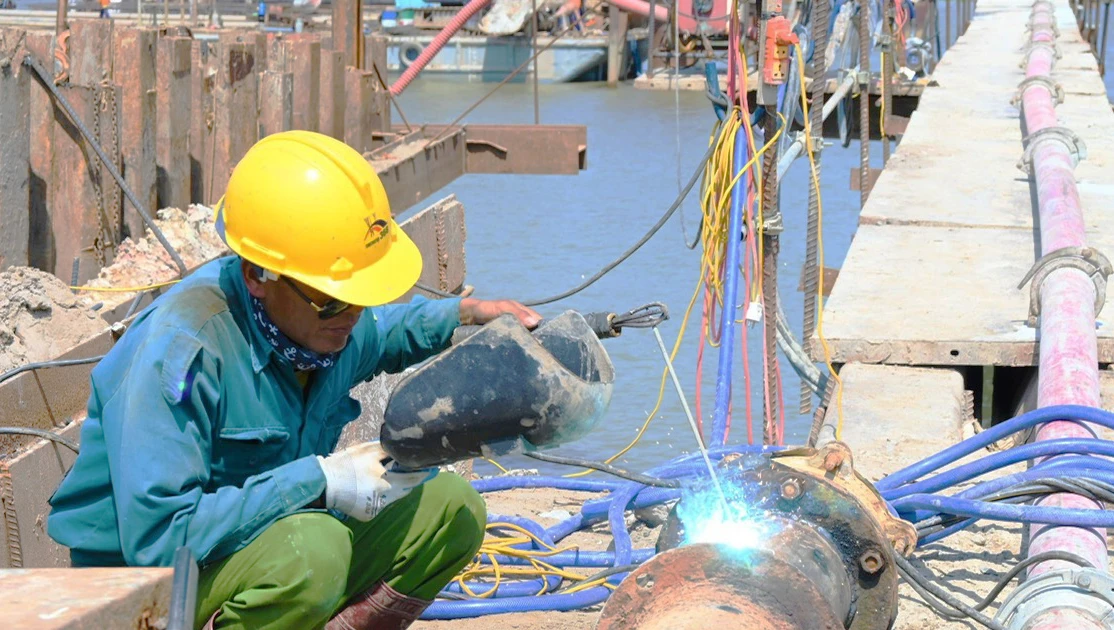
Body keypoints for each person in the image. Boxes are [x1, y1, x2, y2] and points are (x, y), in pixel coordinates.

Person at [46, 130, 542, 630]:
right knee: (313, 553)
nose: (350, 314)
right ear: (257, 277)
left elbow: (386, 333)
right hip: (145, 588)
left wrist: (465, 313)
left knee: (452, 509)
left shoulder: (324, 328)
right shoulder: (182, 354)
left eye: (359, 296)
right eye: (332, 297)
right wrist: (321, 481)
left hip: (263, 546)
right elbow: (159, 537)